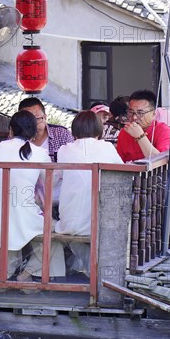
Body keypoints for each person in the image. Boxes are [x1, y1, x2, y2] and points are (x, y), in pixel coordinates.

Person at [0, 110, 65, 292]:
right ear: (33, 132)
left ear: (10, 130)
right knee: (56, 232)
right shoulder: (40, 153)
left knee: (9, 227)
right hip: (25, 216)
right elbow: (52, 180)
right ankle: (28, 274)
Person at [55, 111, 123, 275]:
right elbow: (124, 174)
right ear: (99, 129)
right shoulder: (107, 148)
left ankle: (88, 266)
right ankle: (94, 268)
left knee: (61, 228)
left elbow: (61, 177)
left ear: (74, 130)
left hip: (69, 222)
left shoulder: (64, 150)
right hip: (101, 221)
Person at [116, 90, 170, 162]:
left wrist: (140, 136)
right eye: (131, 112)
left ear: (153, 114)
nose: (134, 117)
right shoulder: (125, 132)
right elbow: (119, 162)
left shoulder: (163, 130)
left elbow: (162, 161)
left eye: (140, 113)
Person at [18, 97, 73, 162]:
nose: (33, 124)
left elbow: (73, 160)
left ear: (45, 117)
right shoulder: (16, 138)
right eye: (28, 120)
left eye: (37, 119)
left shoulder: (62, 134)